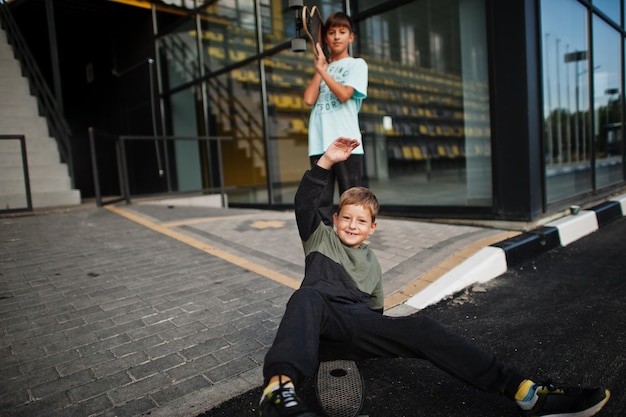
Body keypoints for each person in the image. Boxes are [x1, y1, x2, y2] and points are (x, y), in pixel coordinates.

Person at [257, 137, 611, 417]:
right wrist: (327, 162)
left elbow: (376, 316)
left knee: (423, 328)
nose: (352, 225)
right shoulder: (320, 238)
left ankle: (527, 394)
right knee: (305, 296)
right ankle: (278, 392)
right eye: (346, 218)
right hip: (317, 316)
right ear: (335, 220)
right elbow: (305, 201)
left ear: (373, 228)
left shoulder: (373, 265)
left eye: (361, 221)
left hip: (356, 325)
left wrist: (389, 341)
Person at [303, 12, 368, 226]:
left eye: (342, 32)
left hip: (346, 145)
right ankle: (327, 252)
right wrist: (321, 69)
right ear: (326, 38)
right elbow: (308, 99)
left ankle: (352, 249)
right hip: (320, 144)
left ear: (351, 37)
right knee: (321, 202)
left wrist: (324, 71)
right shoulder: (323, 69)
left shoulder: (357, 65)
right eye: (331, 32)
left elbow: (344, 94)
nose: (336, 37)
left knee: (352, 202)